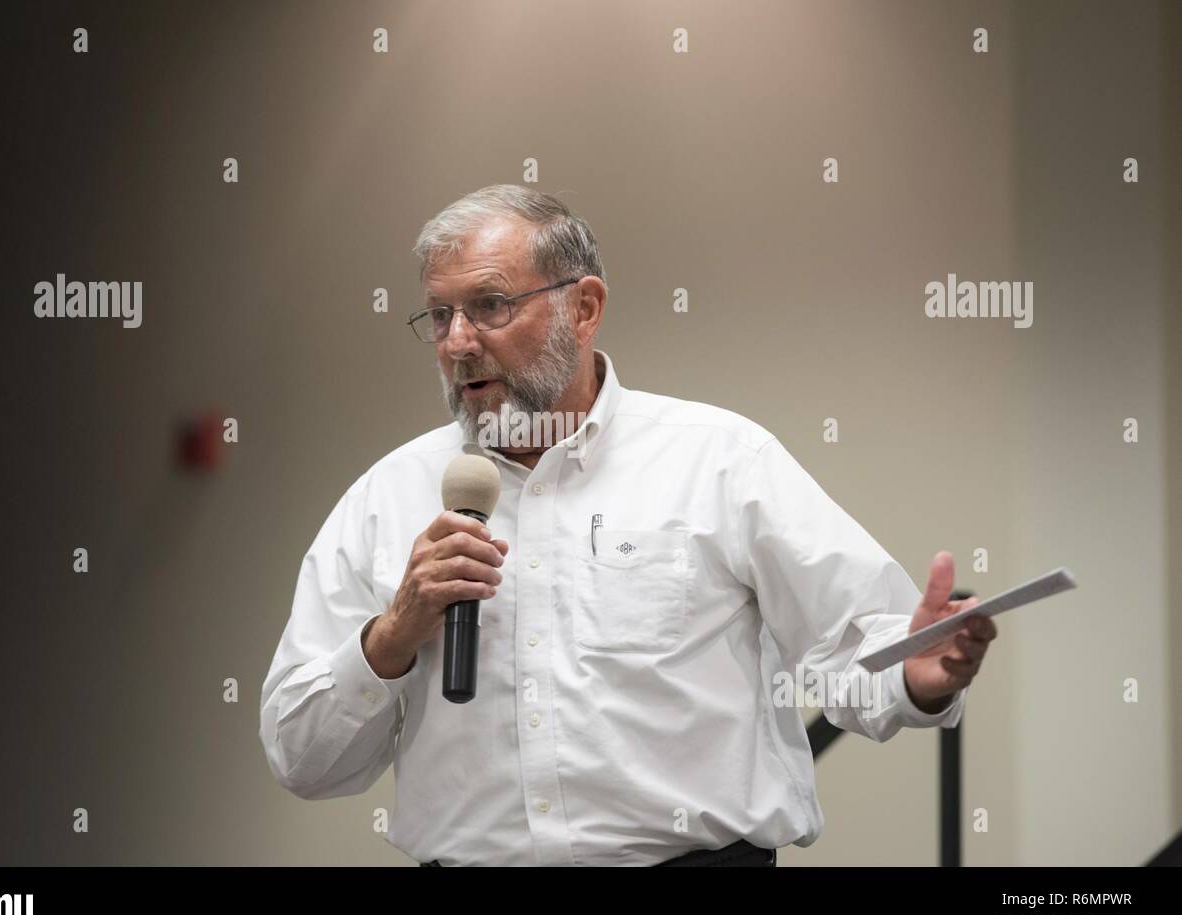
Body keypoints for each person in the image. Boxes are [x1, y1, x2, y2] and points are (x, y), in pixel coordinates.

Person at [259, 184, 998, 867]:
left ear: (583, 308)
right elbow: (303, 759)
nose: (457, 342)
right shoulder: (385, 498)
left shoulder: (719, 460)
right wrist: (391, 635)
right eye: (440, 315)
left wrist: (915, 676)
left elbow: (853, 644)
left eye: (489, 305)